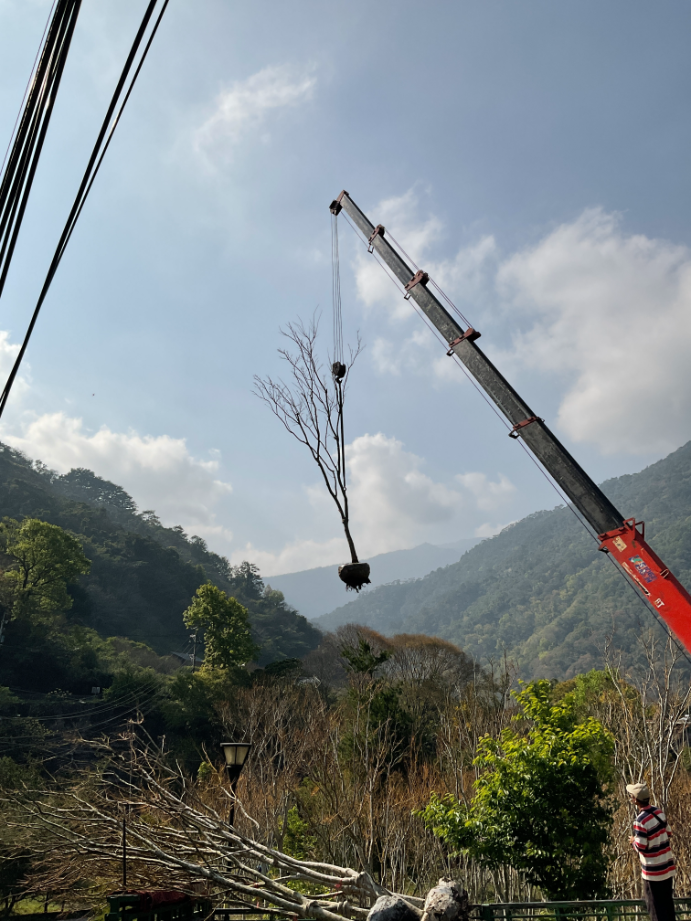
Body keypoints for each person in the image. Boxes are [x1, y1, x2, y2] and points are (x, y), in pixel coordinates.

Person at [627, 782, 677, 921]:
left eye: (631, 796)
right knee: (667, 906)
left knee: (655, 910)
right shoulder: (658, 812)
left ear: (635, 800)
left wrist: (633, 841)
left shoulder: (640, 821)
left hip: (653, 873)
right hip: (667, 868)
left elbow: (641, 846)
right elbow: (669, 832)